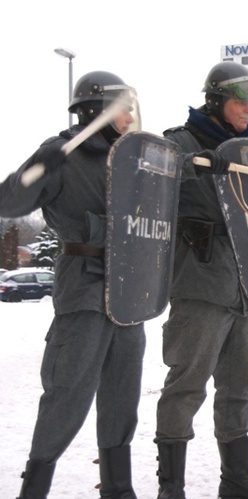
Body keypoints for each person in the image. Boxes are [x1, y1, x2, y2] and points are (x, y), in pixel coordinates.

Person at [1, 71, 144, 498]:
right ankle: (35, 489)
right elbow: (9, 202)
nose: (130, 117)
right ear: (97, 111)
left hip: (128, 291)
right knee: (67, 393)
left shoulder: (132, 159)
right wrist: (44, 161)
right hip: (83, 288)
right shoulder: (64, 155)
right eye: (123, 109)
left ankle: (118, 489)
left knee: (123, 395)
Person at [154, 61, 248, 499]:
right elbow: (154, 177)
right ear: (215, 101)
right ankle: (171, 487)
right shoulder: (180, 141)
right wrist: (192, 164)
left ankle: (237, 479)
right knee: (186, 385)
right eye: (240, 101)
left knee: (238, 387)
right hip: (200, 283)